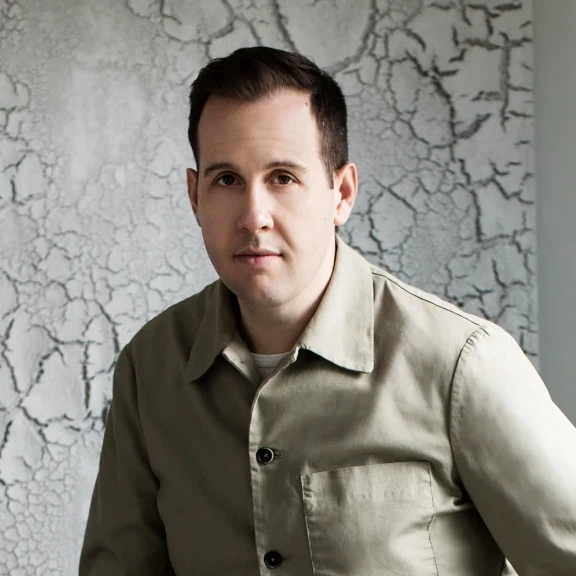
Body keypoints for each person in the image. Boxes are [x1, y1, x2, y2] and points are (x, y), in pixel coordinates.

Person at [79, 46, 576, 575]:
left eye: (283, 177)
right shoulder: (149, 369)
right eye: (226, 179)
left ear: (341, 193)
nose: (254, 216)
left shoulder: (460, 362)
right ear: (194, 196)